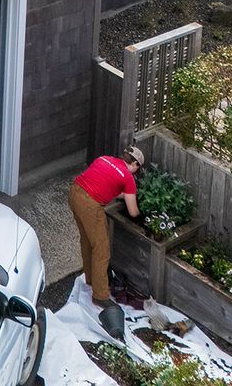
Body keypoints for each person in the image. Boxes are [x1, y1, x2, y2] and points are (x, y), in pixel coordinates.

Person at [70, 144, 144, 337]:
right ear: (135, 164)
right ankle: (100, 296)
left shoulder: (105, 159)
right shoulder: (128, 177)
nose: (137, 173)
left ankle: (90, 278)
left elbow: (107, 184)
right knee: (102, 250)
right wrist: (140, 215)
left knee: (87, 241)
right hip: (90, 205)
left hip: (75, 193)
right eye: (138, 168)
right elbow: (133, 211)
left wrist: (124, 193)